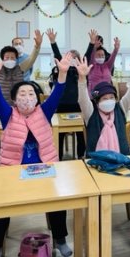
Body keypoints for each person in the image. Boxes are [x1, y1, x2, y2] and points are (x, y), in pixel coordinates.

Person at [0, 50, 74, 257]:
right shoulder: (8, 115)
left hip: (44, 171)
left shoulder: (44, 112)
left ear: (37, 97)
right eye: (22, 94)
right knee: (1, 207)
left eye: (31, 93)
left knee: (57, 200)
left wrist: (63, 72)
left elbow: (57, 93)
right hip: (12, 173)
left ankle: (61, 239)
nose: (27, 97)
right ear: (14, 100)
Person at [75, 55, 130, 250]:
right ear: (97, 100)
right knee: (95, 193)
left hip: (123, 161)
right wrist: (82, 79)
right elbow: (82, 98)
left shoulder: (121, 109)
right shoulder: (90, 113)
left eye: (111, 97)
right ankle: (96, 230)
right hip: (97, 165)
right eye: (104, 98)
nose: (109, 101)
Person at [0, 26, 42, 160]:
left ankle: (16, 157)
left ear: (16, 58)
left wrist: (37, 46)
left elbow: (31, 59)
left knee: (16, 136)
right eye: (7, 57)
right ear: (2, 59)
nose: (9, 59)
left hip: (16, 110)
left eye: (12, 57)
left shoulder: (21, 68)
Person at [46, 28, 85, 159]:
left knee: (81, 133)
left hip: (77, 105)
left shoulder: (80, 72)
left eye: (75, 58)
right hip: (62, 105)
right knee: (59, 133)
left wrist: (91, 44)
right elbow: (57, 55)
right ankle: (59, 157)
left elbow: (89, 55)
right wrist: (53, 42)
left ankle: (81, 156)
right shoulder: (63, 70)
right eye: (70, 57)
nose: (72, 59)